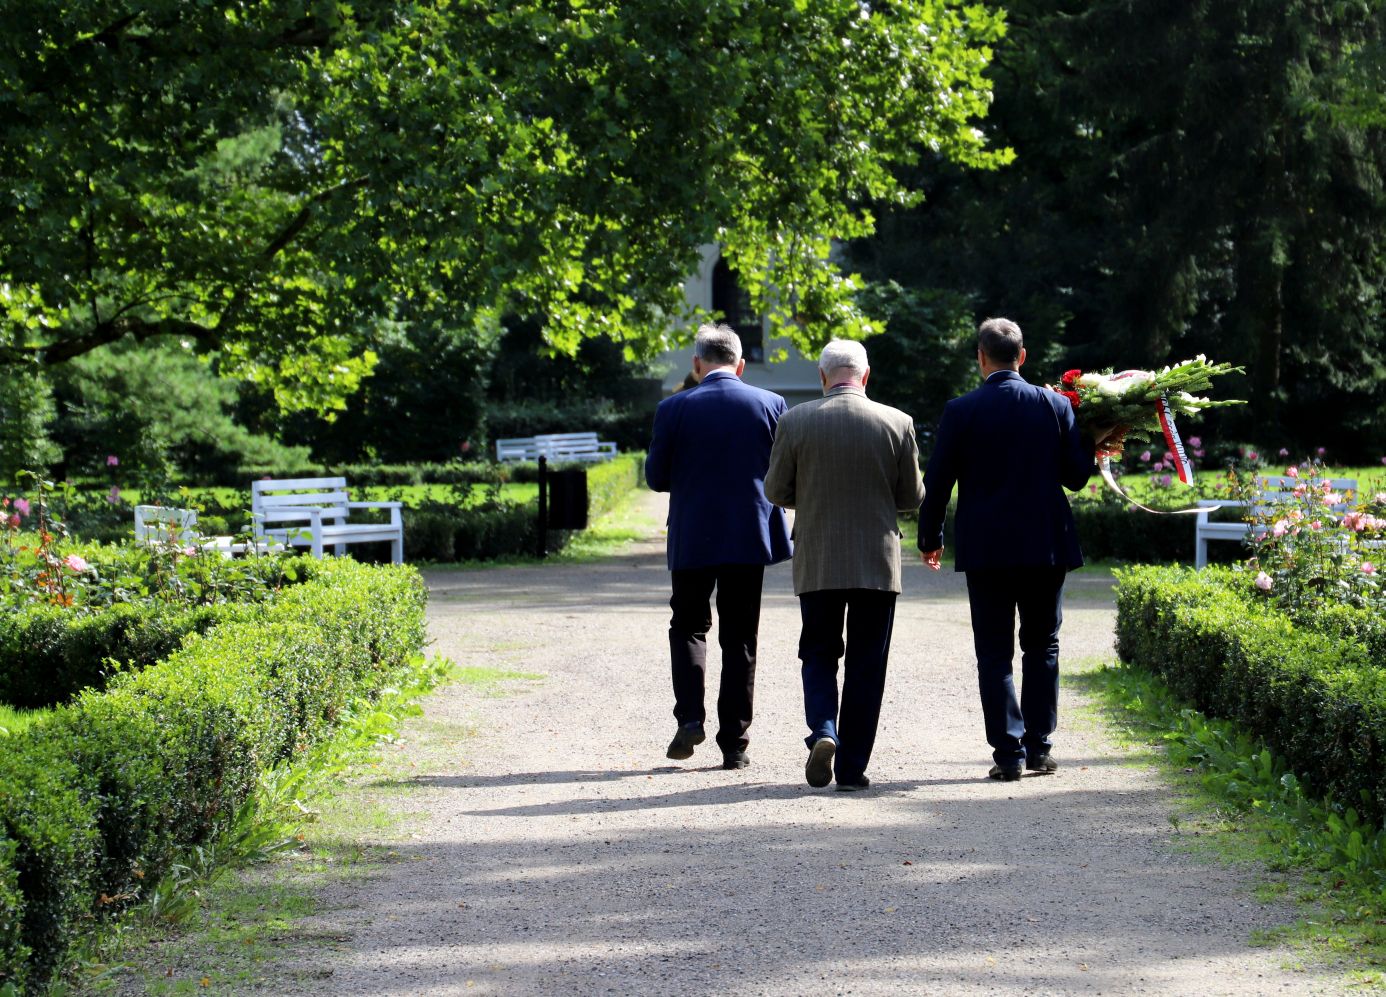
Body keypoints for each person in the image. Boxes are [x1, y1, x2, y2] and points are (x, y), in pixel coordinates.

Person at [918, 317, 1109, 781]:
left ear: (981, 358)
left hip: (987, 549)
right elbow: (1076, 478)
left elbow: (938, 482)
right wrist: (1094, 442)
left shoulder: (960, 410)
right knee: (1043, 646)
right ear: (1022, 356)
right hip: (1046, 546)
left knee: (994, 651)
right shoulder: (1053, 405)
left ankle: (1008, 754)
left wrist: (930, 538)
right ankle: (1039, 747)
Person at [764, 339, 925, 791]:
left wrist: (810, 497)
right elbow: (912, 497)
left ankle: (823, 730)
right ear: (866, 376)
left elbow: (775, 491)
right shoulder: (897, 422)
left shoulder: (795, 421)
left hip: (818, 556)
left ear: (822, 377)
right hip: (876, 559)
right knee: (867, 662)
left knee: (817, 653)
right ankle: (852, 768)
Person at [645, 323, 793, 769]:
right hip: (749, 532)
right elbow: (782, 473)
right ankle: (735, 743)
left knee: (688, 625)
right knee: (740, 637)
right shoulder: (771, 404)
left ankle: (690, 717)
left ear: (696, 365)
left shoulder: (672, 408)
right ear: (741, 364)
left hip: (693, 531)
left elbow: (655, 478)